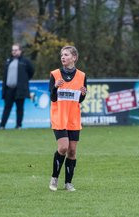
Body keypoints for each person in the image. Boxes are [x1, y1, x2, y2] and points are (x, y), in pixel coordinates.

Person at [48, 46, 87, 192]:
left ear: (74, 58)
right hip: (59, 117)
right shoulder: (55, 74)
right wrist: (55, 88)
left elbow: (79, 99)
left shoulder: (82, 76)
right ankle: (54, 178)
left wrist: (83, 94)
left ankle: (68, 183)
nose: (62, 57)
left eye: (66, 55)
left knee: (72, 151)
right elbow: (52, 97)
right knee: (63, 147)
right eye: (61, 55)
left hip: (73, 118)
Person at [0, 43, 34, 129]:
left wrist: (23, 81)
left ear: (20, 51)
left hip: (19, 89)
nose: (14, 52)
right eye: (13, 50)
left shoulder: (25, 61)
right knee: (7, 108)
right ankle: (2, 125)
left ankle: (18, 125)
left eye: (16, 50)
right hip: (9, 89)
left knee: (20, 108)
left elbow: (31, 71)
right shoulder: (8, 61)